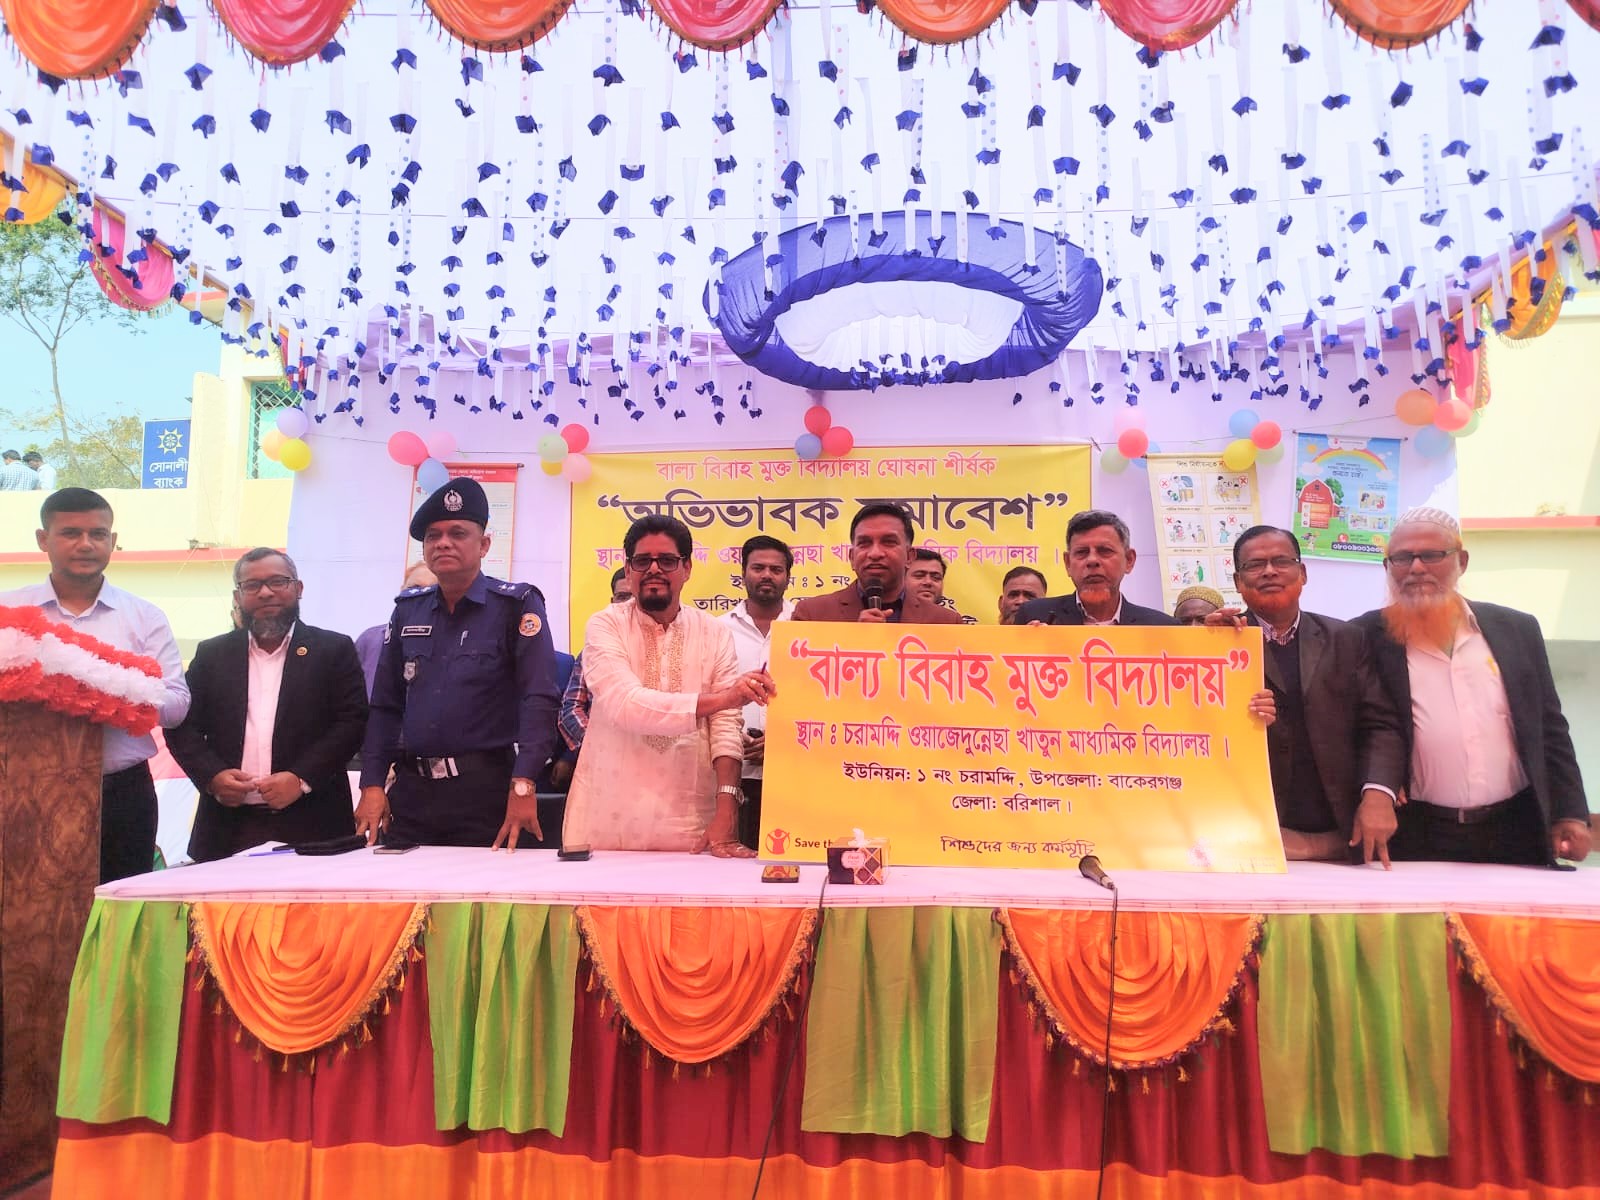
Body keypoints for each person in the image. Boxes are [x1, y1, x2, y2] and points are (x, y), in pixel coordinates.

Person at [1352, 507, 1591, 865]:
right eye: (1401, 558)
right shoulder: (1364, 636)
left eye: (1431, 555)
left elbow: (1550, 727)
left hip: (1515, 828)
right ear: (1387, 567)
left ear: (1461, 561)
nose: (1416, 568)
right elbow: (1356, 730)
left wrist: (1570, 811)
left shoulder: (1517, 630)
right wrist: (1374, 789)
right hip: (1413, 832)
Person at [357, 477, 560, 850]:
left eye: (457, 533)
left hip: (485, 794)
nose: (443, 543)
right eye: (432, 536)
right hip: (412, 794)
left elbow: (539, 699)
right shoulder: (408, 610)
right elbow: (385, 705)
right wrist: (371, 783)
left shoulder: (515, 605)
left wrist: (524, 783)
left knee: (484, 887)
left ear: (484, 545)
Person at [0, 488, 190, 880]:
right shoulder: (9, 613)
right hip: (21, 788)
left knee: (118, 903)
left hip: (121, 793)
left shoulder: (144, 616)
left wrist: (109, 692)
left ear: (112, 541)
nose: (86, 544)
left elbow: (177, 706)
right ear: (43, 539)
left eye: (98, 534)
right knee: (20, 904)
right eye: (71, 533)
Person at [561, 515, 772, 855]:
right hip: (606, 818)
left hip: (691, 820)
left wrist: (727, 809)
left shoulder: (714, 633)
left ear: (687, 568)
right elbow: (624, 703)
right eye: (642, 561)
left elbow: (725, 726)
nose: (654, 569)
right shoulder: (604, 626)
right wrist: (726, 698)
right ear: (628, 569)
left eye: (668, 561)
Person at [1207, 527, 1406, 865]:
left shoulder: (1346, 639)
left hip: (1340, 833)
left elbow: (1380, 725)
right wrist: (1200, 646)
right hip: (1247, 833)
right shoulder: (1218, 642)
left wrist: (1378, 791)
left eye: (1281, 561)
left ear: (1302, 573)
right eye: (1255, 565)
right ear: (1239, 582)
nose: (1269, 571)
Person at [165, 549, 369, 861]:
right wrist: (212, 777)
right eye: (252, 585)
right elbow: (182, 725)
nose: (265, 592)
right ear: (238, 596)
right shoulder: (212, 654)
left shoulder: (333, 649)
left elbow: (352, 723)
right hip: (228, 826)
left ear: (298, 588)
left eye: (278, 582)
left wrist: (301, 779)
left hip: (314, 823)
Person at [721, 535, 796, 849]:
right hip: (730, 774)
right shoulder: (717, 629)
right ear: (743, 573)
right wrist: (729, 738)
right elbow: (709, 694)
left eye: (776, 570)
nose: (767, 575)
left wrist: (782, 739)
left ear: (788, 577)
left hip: (794, 772)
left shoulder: (806, 626)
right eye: (758, 568)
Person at [792, 503, 964, 624]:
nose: (875, 553)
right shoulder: (812, 614)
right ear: (852, 558)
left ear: (909, 557)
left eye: (888, 542)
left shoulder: (946, 622)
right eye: (864, 543)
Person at [1015, 510, 1176, 626]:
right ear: (1068, 563)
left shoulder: (1162, 628)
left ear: (1129, 560)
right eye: (1082, 552)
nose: (1092, 560)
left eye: (1105, 551)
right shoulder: (1035, 615)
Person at [556, 566, 634, 768]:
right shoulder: (592, 651)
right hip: (601, 762)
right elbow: (570, 710)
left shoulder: (664, 648)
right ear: (612, 602)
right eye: (622, 597)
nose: (628, 604)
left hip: (653, 761)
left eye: (634, 597)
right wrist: (600, 746)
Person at [355, 561, 437, 697]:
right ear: (401, 590)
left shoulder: (456, 642)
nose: (421, 597)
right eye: (414, 588)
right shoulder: (369, 639)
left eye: (432, 590)